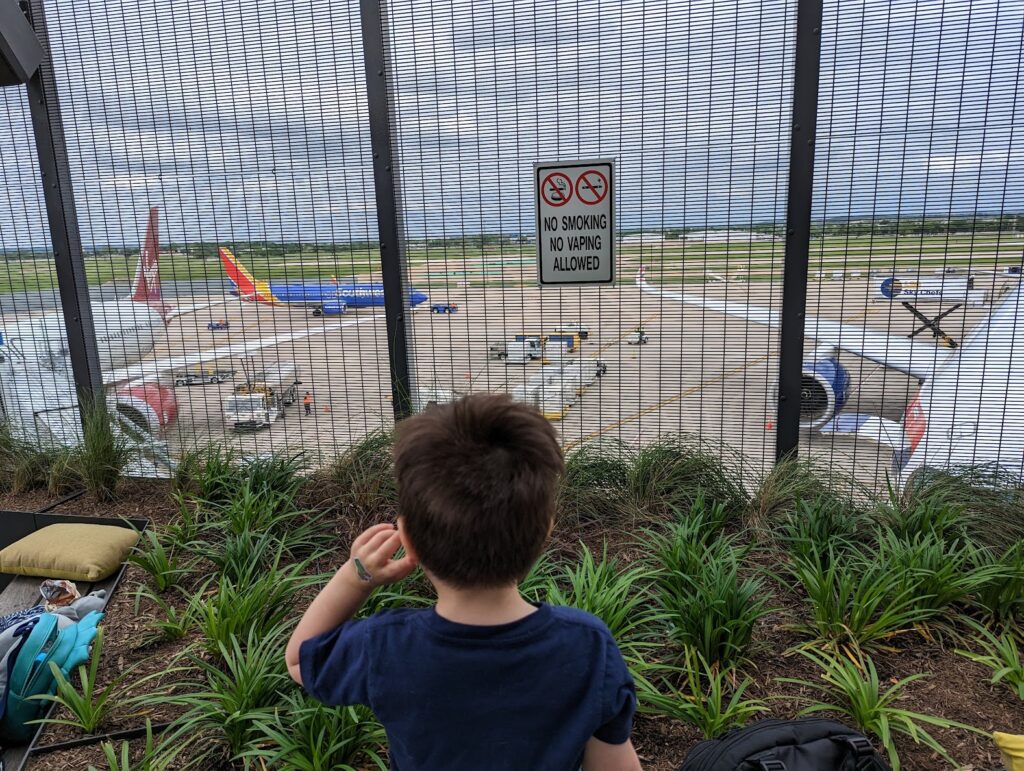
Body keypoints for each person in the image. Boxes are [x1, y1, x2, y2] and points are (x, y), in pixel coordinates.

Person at [285, 394, 640, 770]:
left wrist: (356, 577)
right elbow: (613, 761)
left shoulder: (385, 646)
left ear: (407, 540)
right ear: (546, 530)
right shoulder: (586, 644)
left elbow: (298, 661)